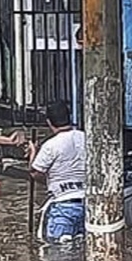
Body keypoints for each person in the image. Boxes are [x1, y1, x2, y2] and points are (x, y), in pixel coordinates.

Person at [26, 100, 86, 243]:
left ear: (49, 122)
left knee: (55, 252)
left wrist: (33, 152)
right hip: (87, 203)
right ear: (69, 117)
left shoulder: (51, 145)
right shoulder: (85, 138)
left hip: (62, 205)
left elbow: (35, 172)